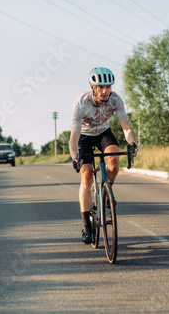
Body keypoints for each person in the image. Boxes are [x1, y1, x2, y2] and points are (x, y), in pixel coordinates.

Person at [69, 67, 138, 244]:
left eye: (108, 87)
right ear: (93, 87)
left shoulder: (115, 100)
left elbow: (126, 126)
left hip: (103, 133)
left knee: (114, 161)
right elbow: (74, 136)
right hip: (83, 136)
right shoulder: (81, 102)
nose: (105, 91)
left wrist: (132, 143)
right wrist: (74, 156)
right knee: (87, 176)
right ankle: (86, 226)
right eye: (100, 87)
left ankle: (106, 193)